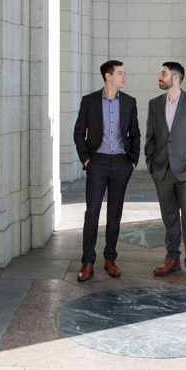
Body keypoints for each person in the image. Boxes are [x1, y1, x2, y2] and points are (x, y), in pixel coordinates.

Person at [144, 61, 186, 288]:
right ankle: (172, 258)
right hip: (162, 171)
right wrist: (151, 164)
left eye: (163, 73)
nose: (159, 76)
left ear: (175, 78)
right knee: (169, 216)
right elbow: (150, 138)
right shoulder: (154, 105)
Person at [73, 60, 140, 281]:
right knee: (92, 212)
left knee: (115, 213)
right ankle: (88, 261)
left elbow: (135, 134)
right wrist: (86, 161)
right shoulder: (89, 101)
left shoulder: (129, 102)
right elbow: (78, 133)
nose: (124, 77)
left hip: (121, 164)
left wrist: (132, 161)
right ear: (107, 76)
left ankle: (110, 258)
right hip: (97, 163)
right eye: (120, 73)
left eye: (124, 73)